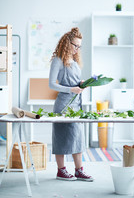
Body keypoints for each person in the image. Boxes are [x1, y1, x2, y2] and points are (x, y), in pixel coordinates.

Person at [49, 27, 93, 182]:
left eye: (79, 46)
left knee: (78, 137)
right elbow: (52, 84)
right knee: (61, 137)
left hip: (76, 105)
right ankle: (61, 171)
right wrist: (71, 89)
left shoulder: (74, 61)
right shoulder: (58, 60)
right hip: (63, 106)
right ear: (67, 43)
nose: (77, 49)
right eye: (75, 45)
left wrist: (80, 84)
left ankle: (78, 170)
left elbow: (74, 83)